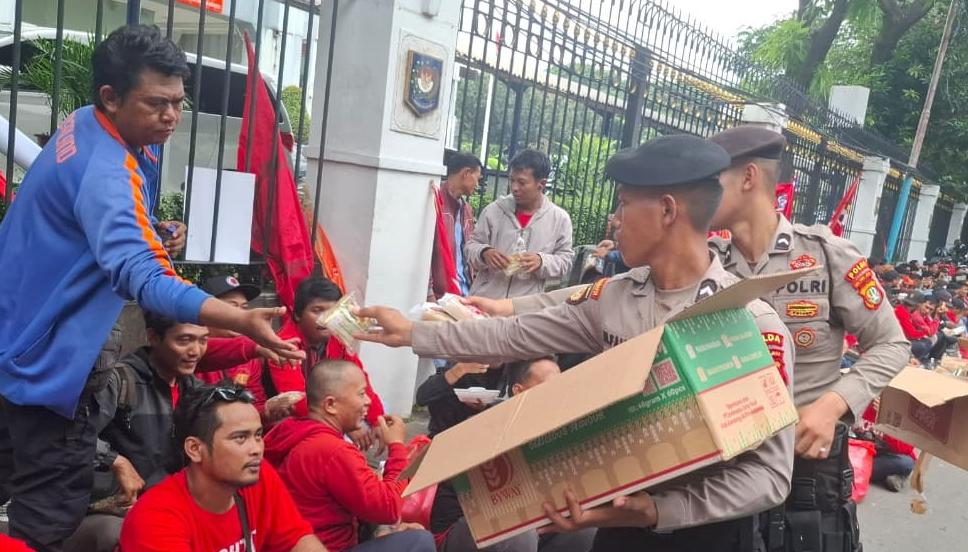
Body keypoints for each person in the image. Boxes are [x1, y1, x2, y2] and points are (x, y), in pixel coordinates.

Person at [357, 135, 796, 552]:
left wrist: (657, 510)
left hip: (707, 536)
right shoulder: (615, 299)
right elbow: (514, 334)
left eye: (624, 204)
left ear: (667, 210)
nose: (614, 220)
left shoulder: (748, 322)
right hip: (616, 531)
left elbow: (770, 475)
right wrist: (414, 333)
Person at [0, 25, 298, 550]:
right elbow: (145, 276)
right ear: (111, 97)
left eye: (179, 103)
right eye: (157, 104)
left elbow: (91, 223)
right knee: (46, 521)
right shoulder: (107, 170)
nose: (171, 117)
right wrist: (238, 319)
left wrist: (154, 231)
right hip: (44, 368)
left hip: (17, 342)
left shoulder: (86, 125)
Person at [706, 126, 909, 551]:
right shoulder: (709, 265)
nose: (702, 193)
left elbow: (892, 344)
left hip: (809, 470)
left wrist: (832, 406)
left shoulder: (825, 254)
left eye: (713, 180)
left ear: (748, 178)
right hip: (728, 466)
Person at [117, 383, 326, 551]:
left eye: (258, 435)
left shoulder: (258, 474)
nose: (256, 449)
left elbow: (297, 539)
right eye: (240, 438)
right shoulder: (155, 519)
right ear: (195, 449)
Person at [65, 312, 209, 552]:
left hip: (167, 507)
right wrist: (115, 460)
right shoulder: (119, 382)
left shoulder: (195, 392)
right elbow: (71, 435)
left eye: (203, 340)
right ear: (153, 337)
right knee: (128, 535)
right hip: (106, 510)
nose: (195, 350)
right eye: (184, 340)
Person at [264, 361, 435, 552]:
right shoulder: (332, 450)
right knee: (420, 540)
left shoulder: (294, 432)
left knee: (404, 532)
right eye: (361, 394)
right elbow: (389, 509)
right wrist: (397, 446)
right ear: (330, 405)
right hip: (328, 547)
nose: (368, 401)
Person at [263, 277, 386, 452]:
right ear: (297, 314)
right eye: (317, 310)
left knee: (375, 413)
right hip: (288, 419)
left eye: (332, 312)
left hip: (328, 409)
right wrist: (348, 424)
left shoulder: (338, 339)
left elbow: (360, 380)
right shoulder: (284, 345)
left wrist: (378, 420)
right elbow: (297, 401)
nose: (326, 318)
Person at [465, 149, 574, 298]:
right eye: (512, 180)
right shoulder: (494, 210)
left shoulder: (559, 219)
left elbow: (566, 261)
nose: (514, 188)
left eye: (522, 182)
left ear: (541, 184)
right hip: (486, 300)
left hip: (526, 306)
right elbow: (471, 246)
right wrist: (484, 253)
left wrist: (542, 261)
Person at [430, 151, 482, 299]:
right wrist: (429, 294)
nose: (477, 185)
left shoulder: (466, 210)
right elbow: (424, 253)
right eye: (477, 179)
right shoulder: (435, 203)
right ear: (466, 173)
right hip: (441, 296)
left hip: (465, 293)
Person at [894, 293, 935, 363]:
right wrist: (924, 332)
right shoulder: (901, 311)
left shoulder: (908, 312)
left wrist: (924, 332)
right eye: (907, 304)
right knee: (921, 345)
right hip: (896, 342)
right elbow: (911, 334)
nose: (909, 307)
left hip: (902, 339)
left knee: (927, 341)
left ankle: (917, 361)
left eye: (911, 305)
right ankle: (911, 361)